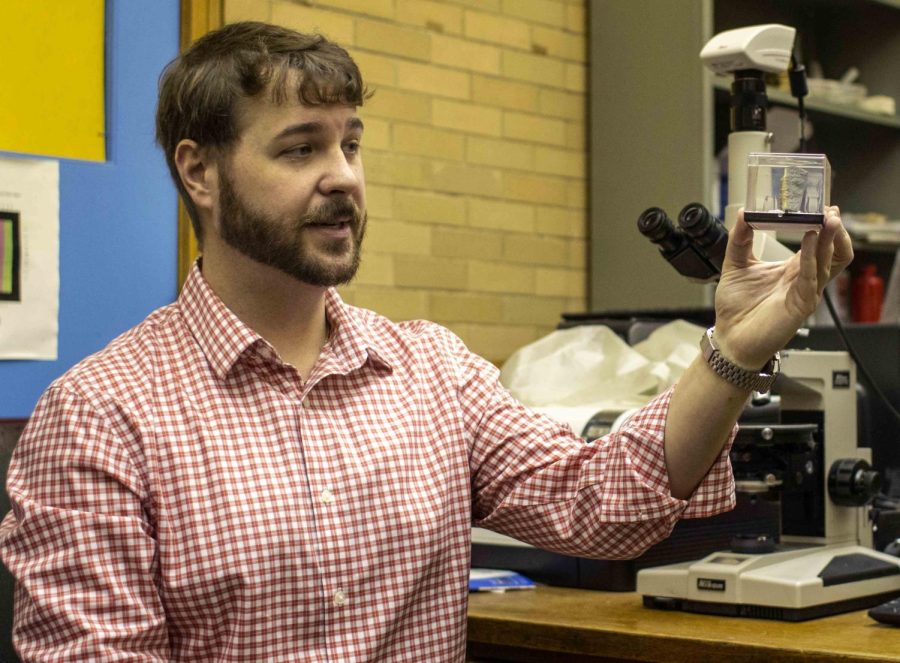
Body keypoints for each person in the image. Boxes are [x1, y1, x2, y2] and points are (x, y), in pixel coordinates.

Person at [0, 21, 853, 662]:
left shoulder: (427, 368)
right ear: (199, 172)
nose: (343, 175)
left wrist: (736, 346)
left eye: (351, 144)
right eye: (301, 148)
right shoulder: (100, 415)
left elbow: (600, 500)